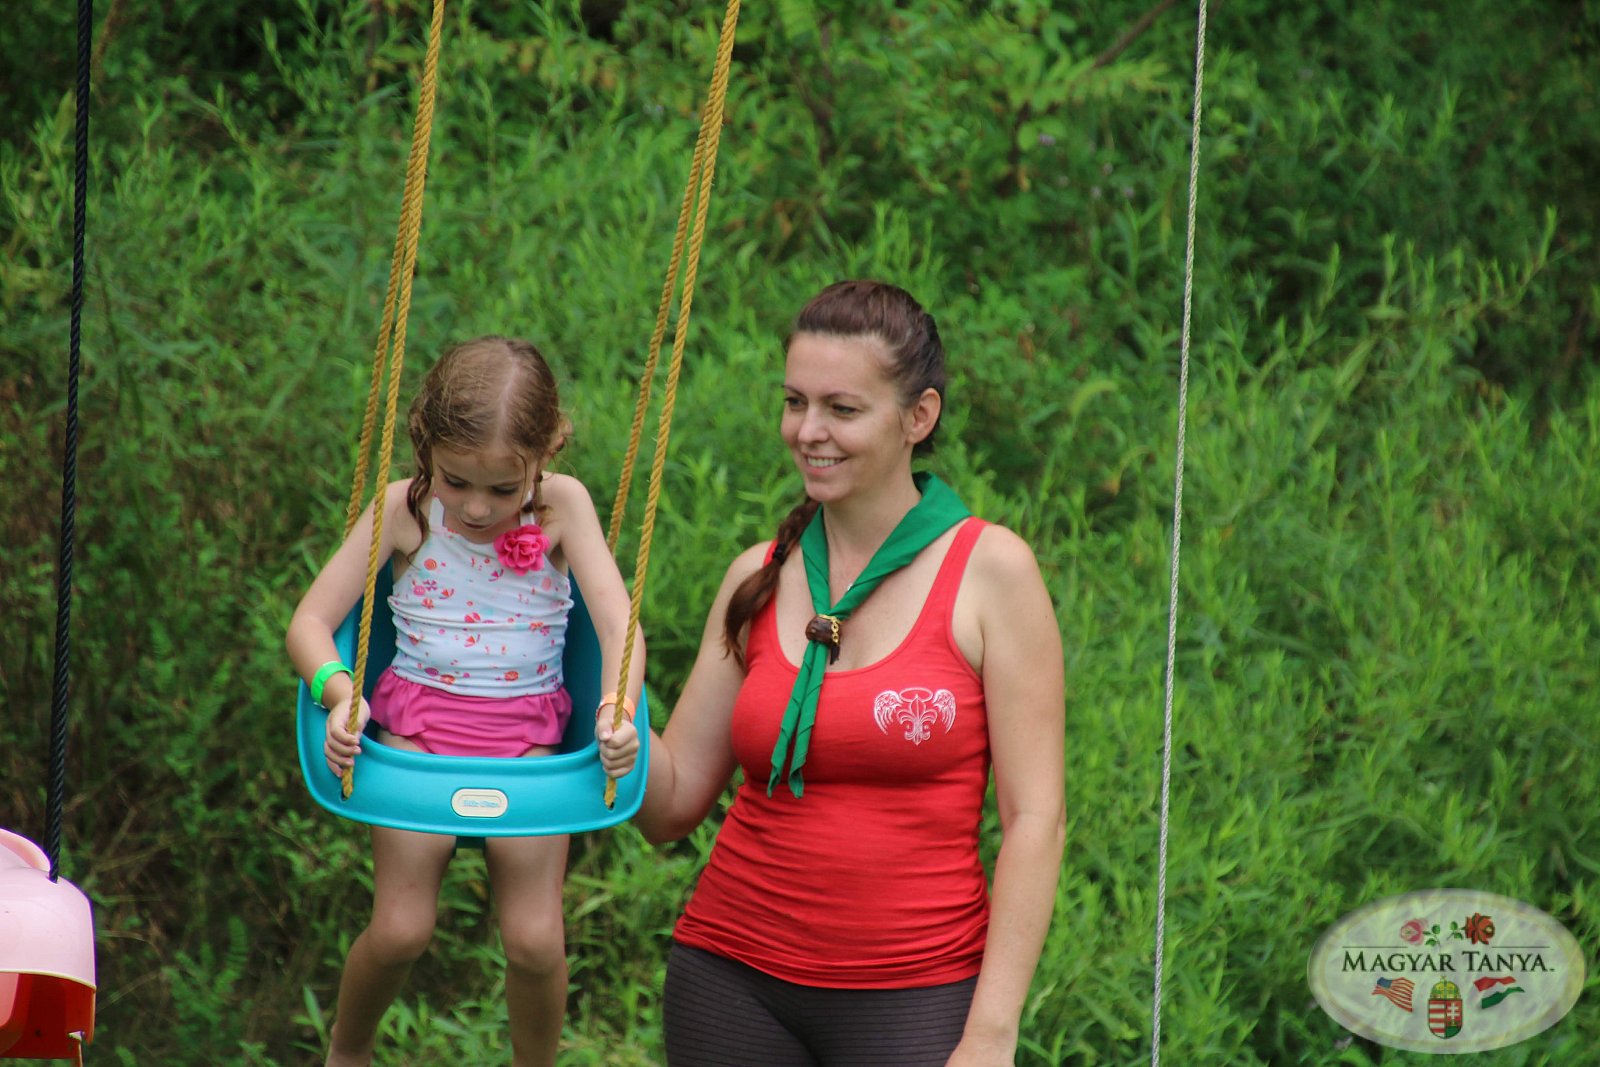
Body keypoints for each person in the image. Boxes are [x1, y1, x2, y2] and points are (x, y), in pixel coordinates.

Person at [636, 281, 1066, 1066]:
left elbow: (1035, 818)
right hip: (731, 976)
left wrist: (991, 1032)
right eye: (795, 402)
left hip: (917, 989)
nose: (808, 431)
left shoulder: (991, 572)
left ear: (918, 417)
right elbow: (669, 807)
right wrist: (611, 696)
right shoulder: (758, 576)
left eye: (841, 408)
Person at [286, 335, 643, 1067]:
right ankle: (347, 1052)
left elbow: (620, 626)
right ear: (425, 444)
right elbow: (310, 624)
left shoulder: (564, 506)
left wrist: (617, 707)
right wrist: (341, 694)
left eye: (504, 490)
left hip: (531, 743)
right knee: (401, 929)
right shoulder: (404, 508)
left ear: (547, 450)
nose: (478, 508)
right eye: (456, 480)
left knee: (535, 940)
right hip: (415, 735)